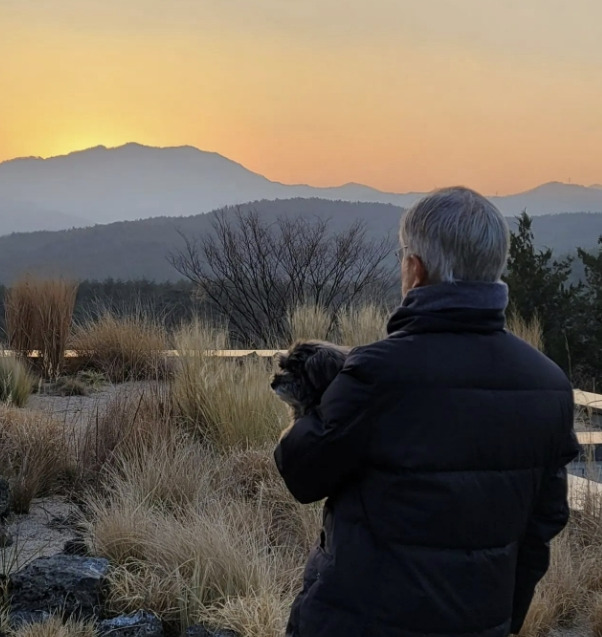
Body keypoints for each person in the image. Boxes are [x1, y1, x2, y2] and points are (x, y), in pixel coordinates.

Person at [274, 186, 579, 637]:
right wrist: (504, 617)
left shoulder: (377, 372)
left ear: (415, 269)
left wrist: (308, 403)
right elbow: (545, 522)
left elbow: (301, 473)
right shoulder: (549, 384)